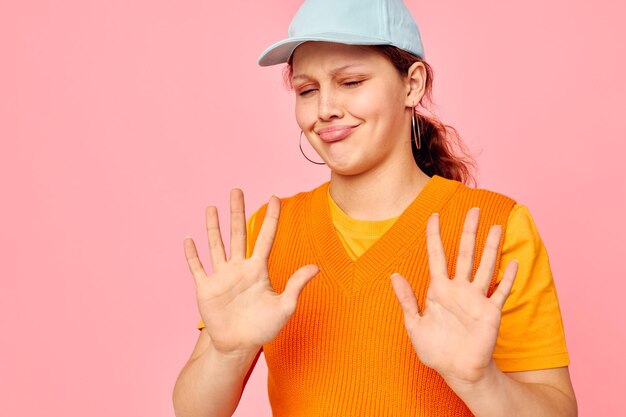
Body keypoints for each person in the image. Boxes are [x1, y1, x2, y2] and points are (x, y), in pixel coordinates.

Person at [172, 0, 577, 415]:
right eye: (307, 90)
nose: (325, 108)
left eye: (351, 82)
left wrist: (479, 380)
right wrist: (227, 352)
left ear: (412, 84)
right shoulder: (269, 234)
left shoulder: (497, 228)